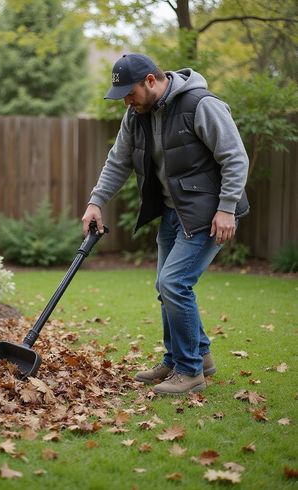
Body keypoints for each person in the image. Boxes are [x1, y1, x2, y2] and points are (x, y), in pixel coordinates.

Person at [82, 53, 249, 395]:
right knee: (165, 287)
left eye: (130, 93)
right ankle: (187, 357)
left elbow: (234, 156)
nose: (127, 102)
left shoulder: (200, 104)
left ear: (151, 81)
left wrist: (227, 208)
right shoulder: (137, 114)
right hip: (173, 213)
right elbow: (119, 160)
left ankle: (190, 373)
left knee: (174, 283)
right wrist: (96, 201)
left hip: (208, 213)